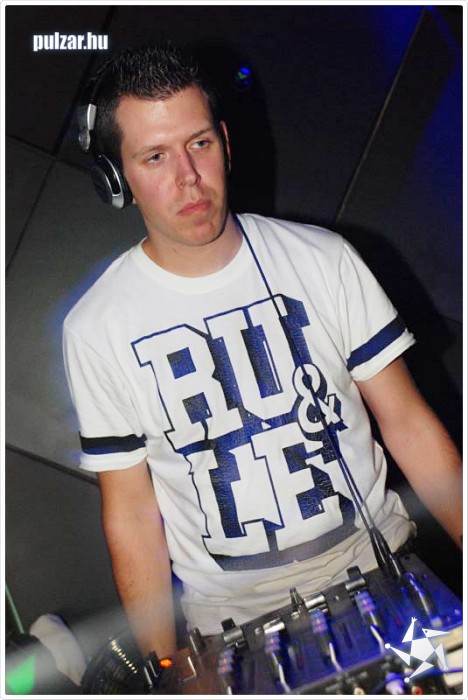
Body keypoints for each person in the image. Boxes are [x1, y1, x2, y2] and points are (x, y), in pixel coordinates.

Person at [63, 43, 462, 662]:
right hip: (232, 635)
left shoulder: (324, 259)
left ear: (224, 142)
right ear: (118, 179)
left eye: (199, 143)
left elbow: (410, 426)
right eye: (155, 156)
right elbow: (132, 515)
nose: (187, 176)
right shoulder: (95, 328)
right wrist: (166, 665)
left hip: (387, 579)